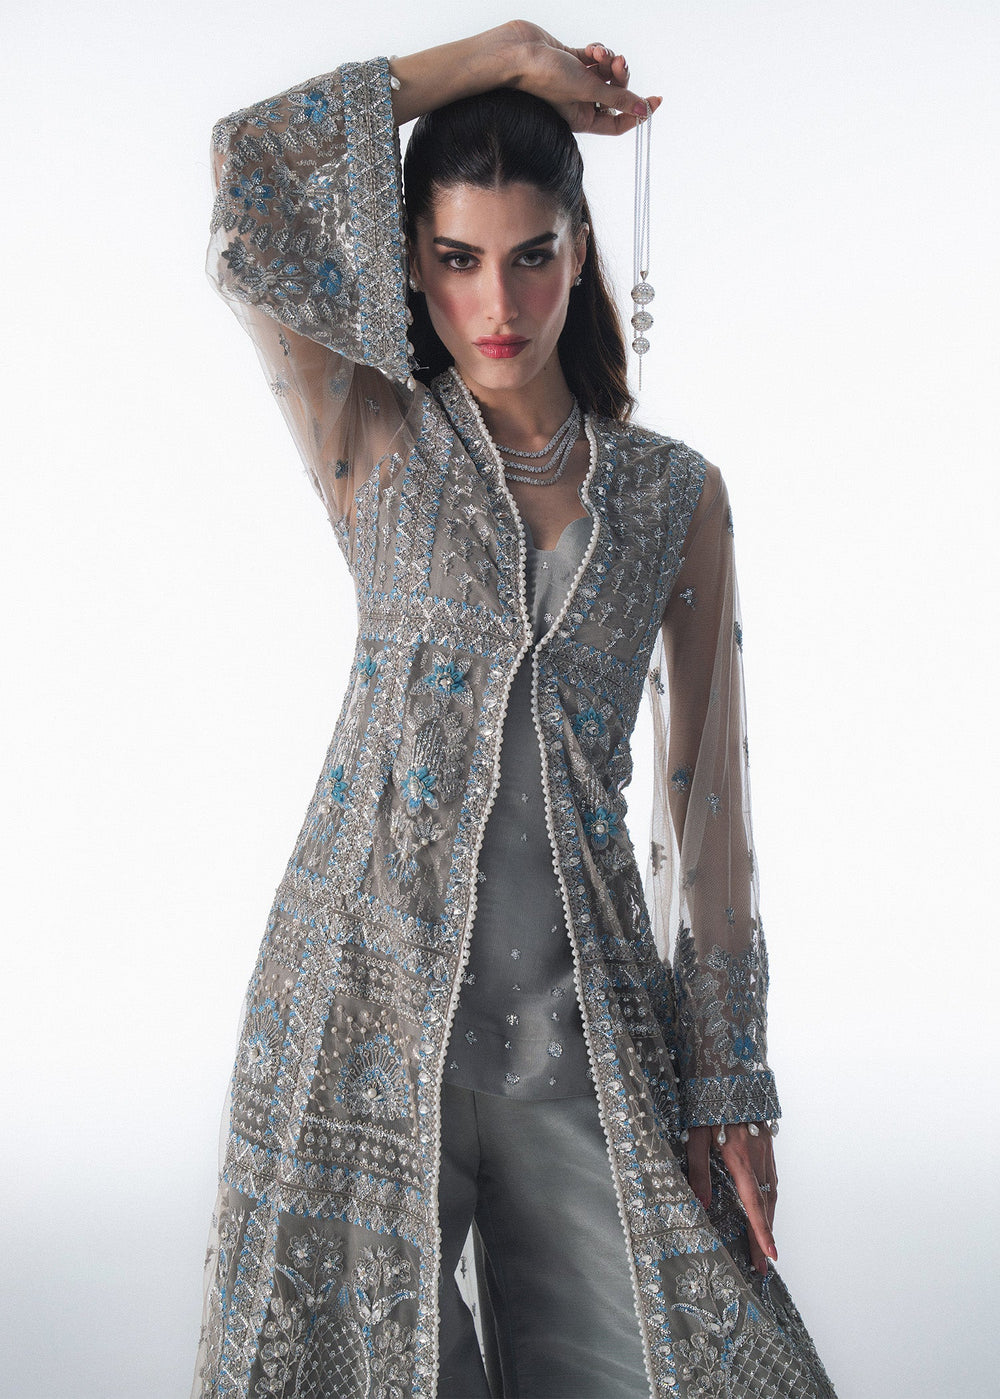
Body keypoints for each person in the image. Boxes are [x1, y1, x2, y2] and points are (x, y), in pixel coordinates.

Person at [192, 20, 837, 1399]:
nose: (497, 303)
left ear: (583, 251)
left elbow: (710, 811)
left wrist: (731, 1080)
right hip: (358, 1026)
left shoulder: (672, 497)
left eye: (532, 255)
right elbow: (248, 173)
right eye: (456, 259)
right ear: (410, 263)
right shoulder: (374, 435)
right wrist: (499, 56)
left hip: (583, 1041)